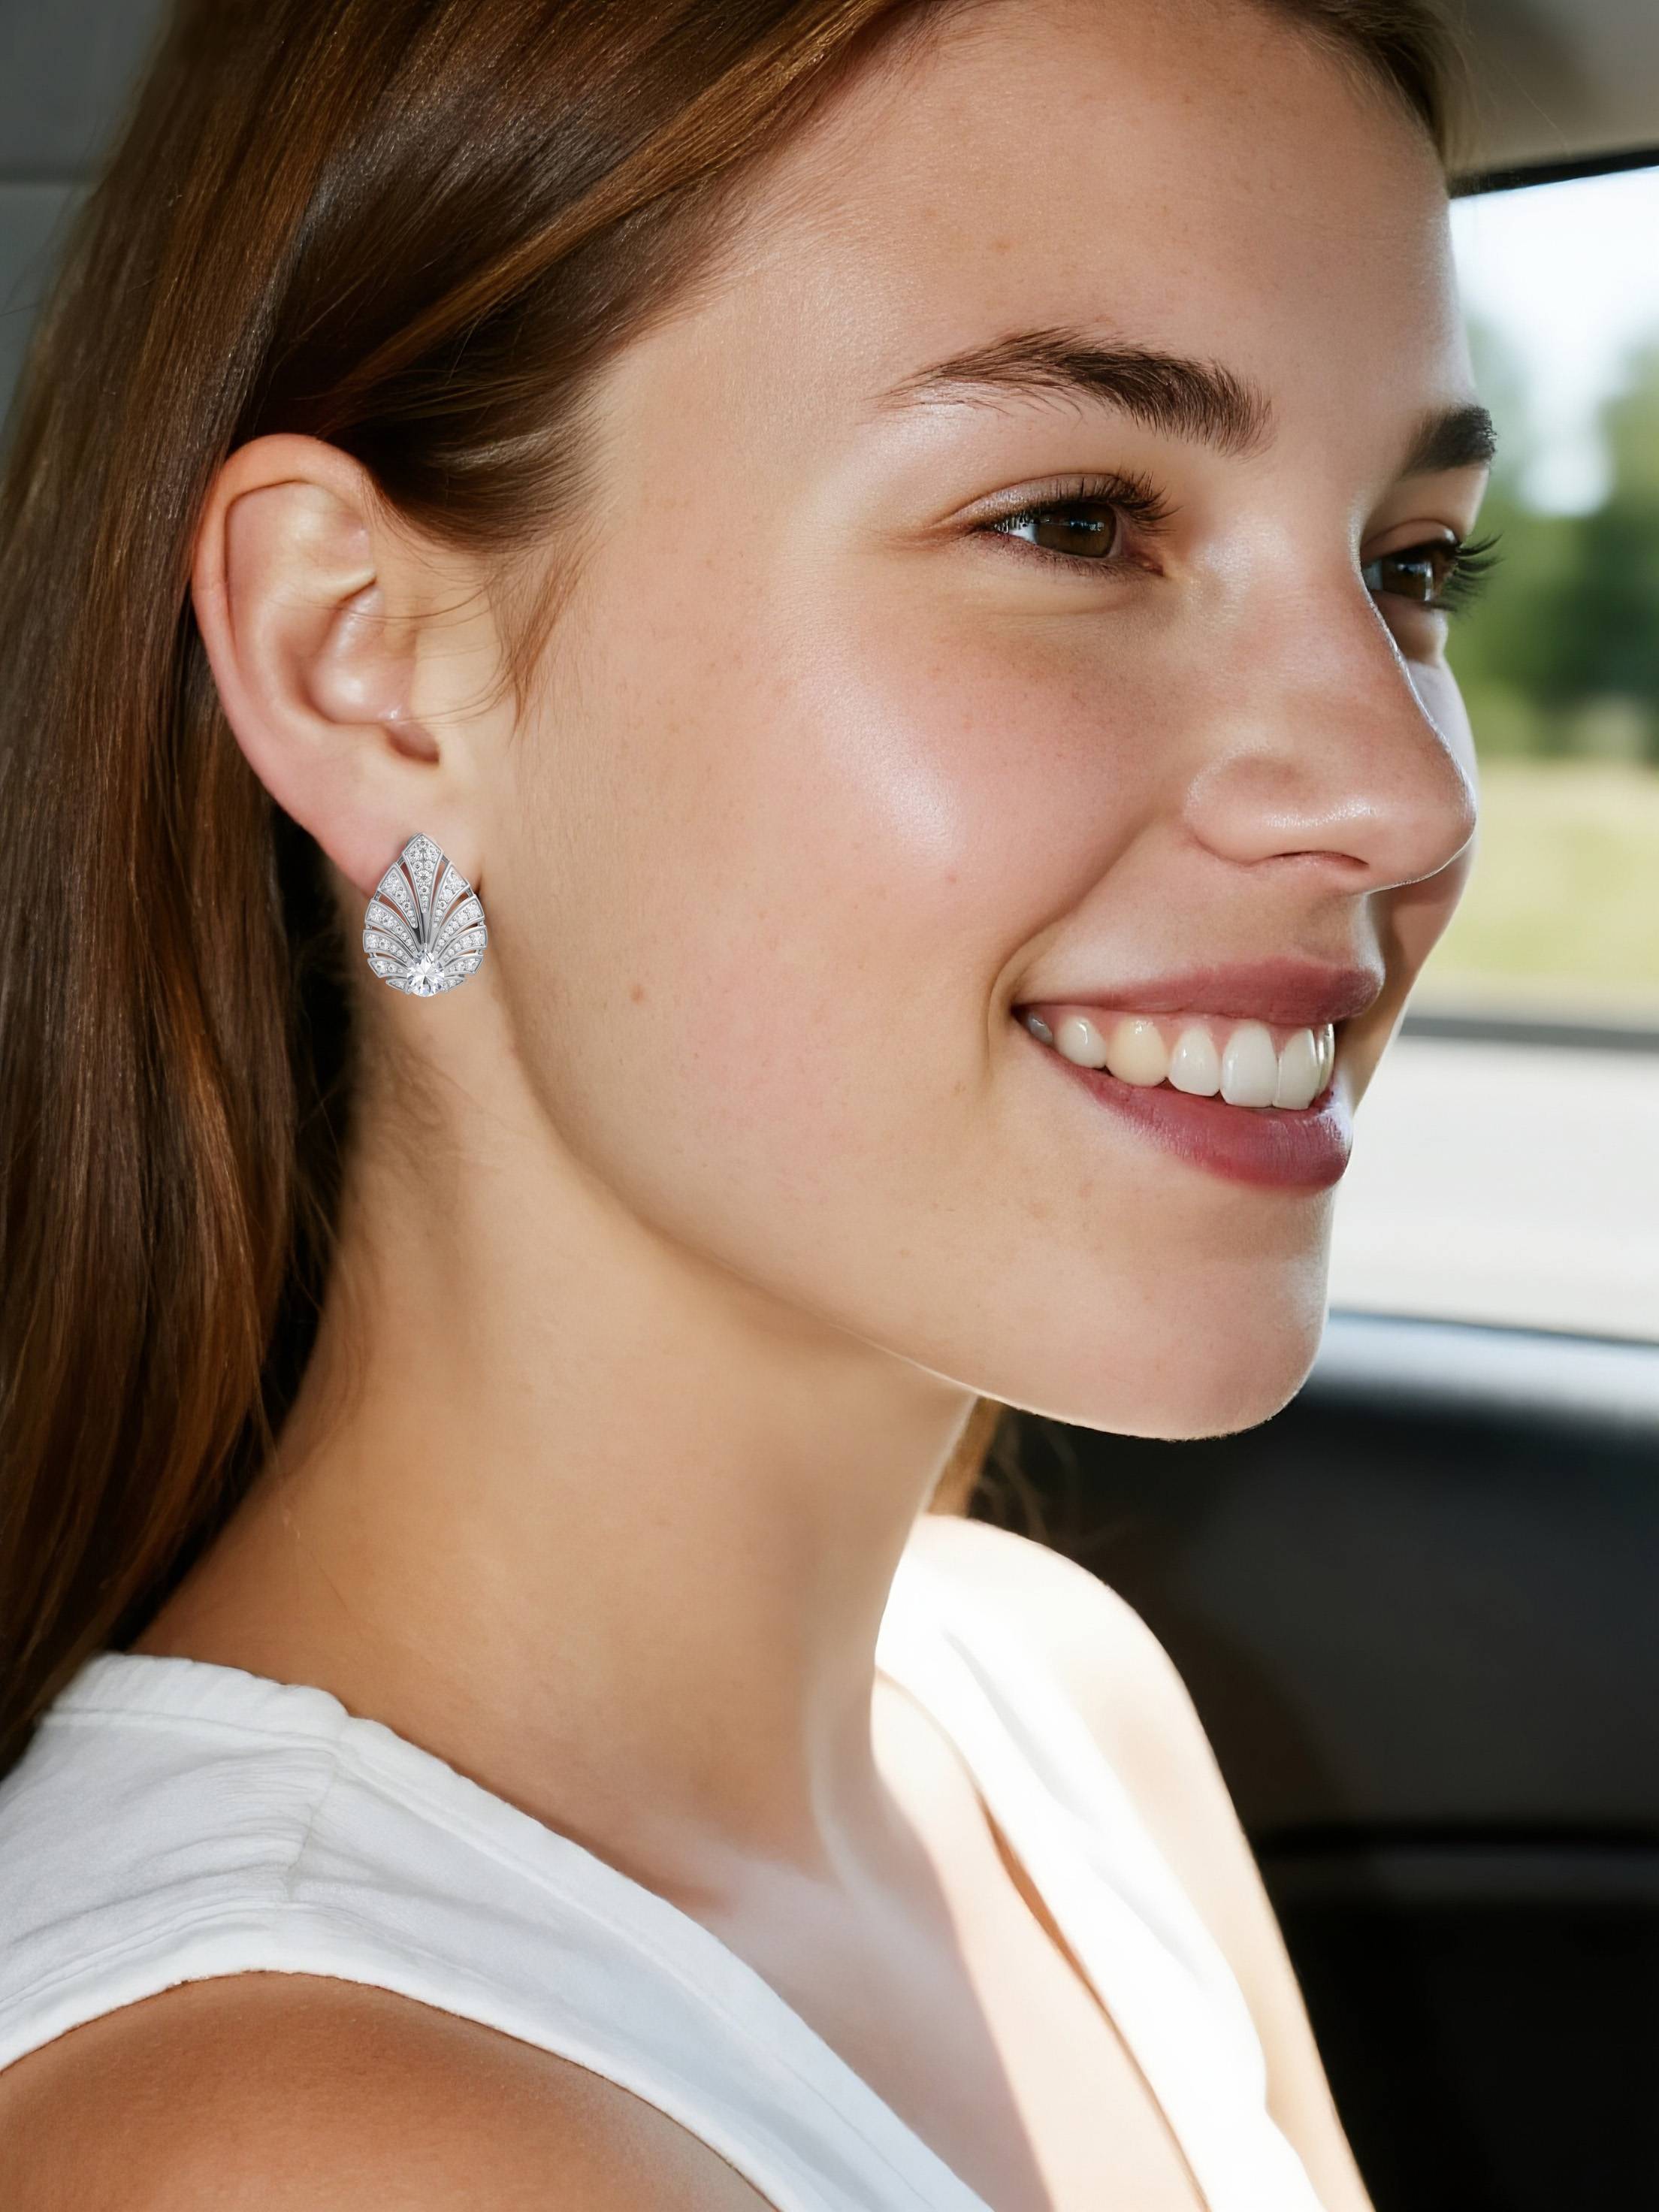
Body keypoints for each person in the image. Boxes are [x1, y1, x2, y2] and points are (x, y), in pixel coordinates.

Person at [0, 0, 1496, 2203]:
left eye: (1413, 568)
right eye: (1078, 520)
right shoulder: (312, 2139)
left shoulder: (1038, 1708)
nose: (1395, 790)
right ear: (367, 662)